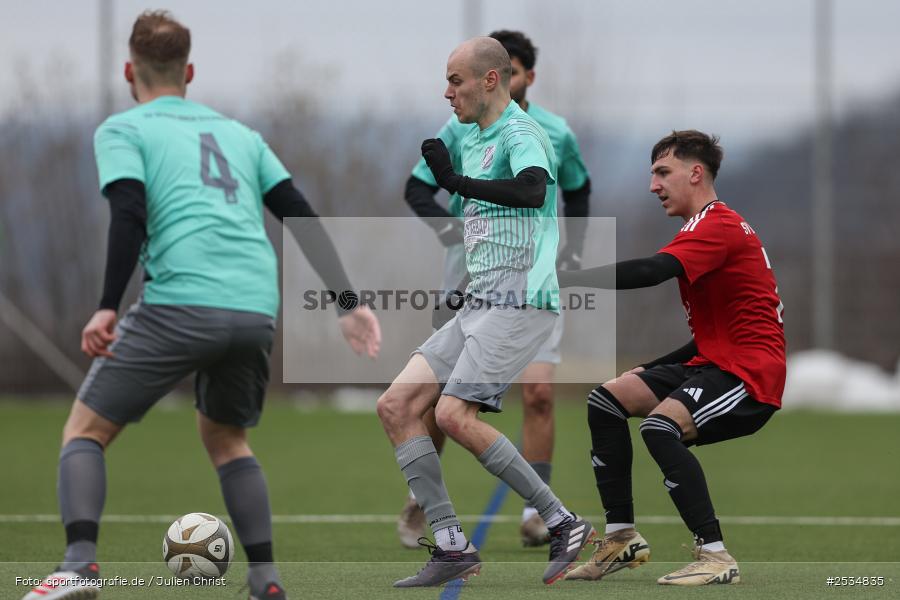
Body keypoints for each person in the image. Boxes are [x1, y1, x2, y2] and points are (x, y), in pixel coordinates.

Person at [22, 11, 380, 600]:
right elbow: (299, 215)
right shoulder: (242, 136)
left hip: (179, 303)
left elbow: (129, 214)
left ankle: (78, 566)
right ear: (189, 71)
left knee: (84, 431)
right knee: (226, 438)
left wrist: (107, 305)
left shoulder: (124, 129)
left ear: (128, 71)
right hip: (254, 310)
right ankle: (265, 578)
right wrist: (349, 302)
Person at [377, 36, 594, 588]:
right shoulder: (472, 137)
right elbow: (458, 212)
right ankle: (451, 545)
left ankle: (562, 522)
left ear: (490, 80)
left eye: (455, 80)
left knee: (453, 415)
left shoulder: (523, 133)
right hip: (481, 301)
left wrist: (455, 183)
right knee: (397, 405)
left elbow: (531, 190)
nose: (445, 91)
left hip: (522, 300)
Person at [558, 130, 786, 586]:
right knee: (606, 400)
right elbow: (710, 334)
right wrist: (652, 366)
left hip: (749, 372)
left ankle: (716, 556)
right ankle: (622, 540)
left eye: (663, 172)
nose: (653, 185)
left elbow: (653, 271)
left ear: (695, 173)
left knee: (660, 428)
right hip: (715, 360)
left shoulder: (716, 224)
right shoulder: (701, 227)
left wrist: (568, 278)